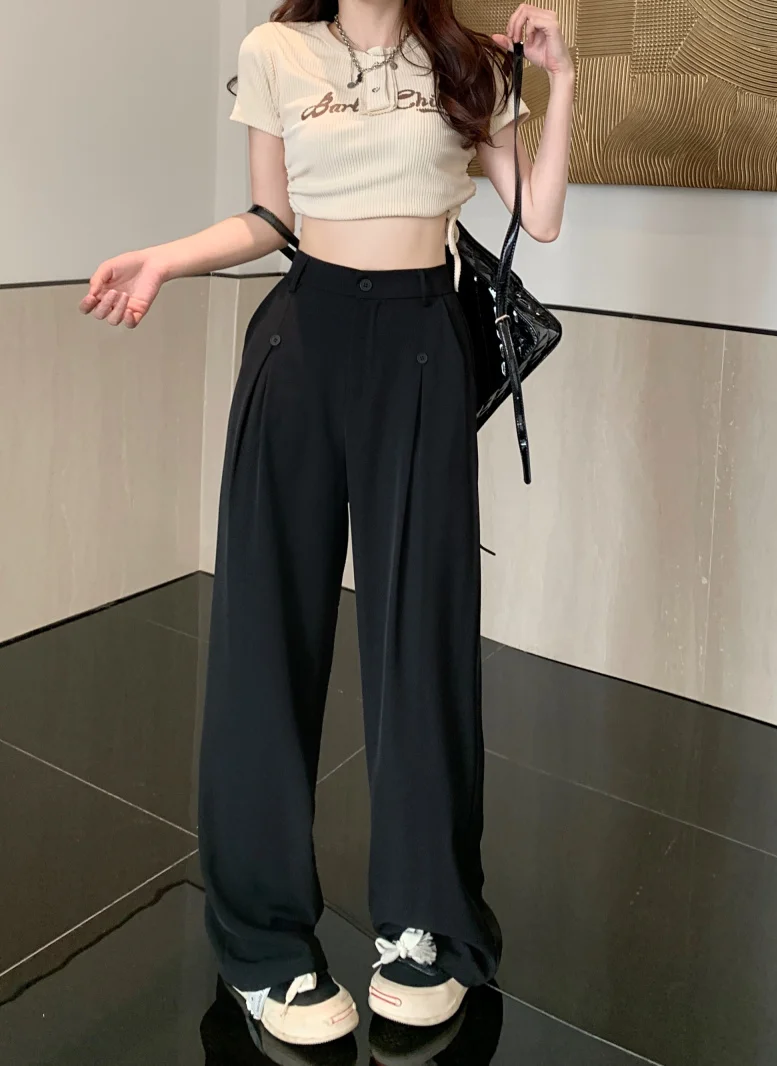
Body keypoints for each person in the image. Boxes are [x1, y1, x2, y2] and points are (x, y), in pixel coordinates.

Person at [80, 0, 573, 1048]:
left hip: (423, 351)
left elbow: (537, 216)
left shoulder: (465, 61)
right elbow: (271, 219)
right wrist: (165, 257)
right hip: (301, 347)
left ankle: (425, 926)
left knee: (422, 640)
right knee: (264, 642)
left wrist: (560, 83)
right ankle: (263, 944)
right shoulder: (275, 49)